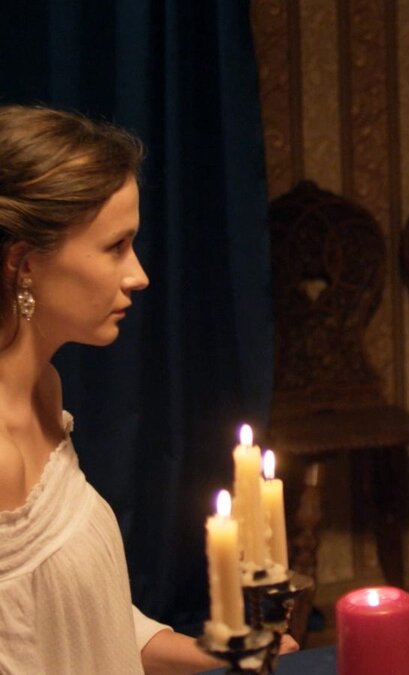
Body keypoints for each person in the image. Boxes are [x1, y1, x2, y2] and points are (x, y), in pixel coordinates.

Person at [0, 105, 294, 674]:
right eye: (115, 247)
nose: (139, 275)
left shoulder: (43, 392)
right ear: (24, 263)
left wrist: (218, 653)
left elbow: (90, 627)